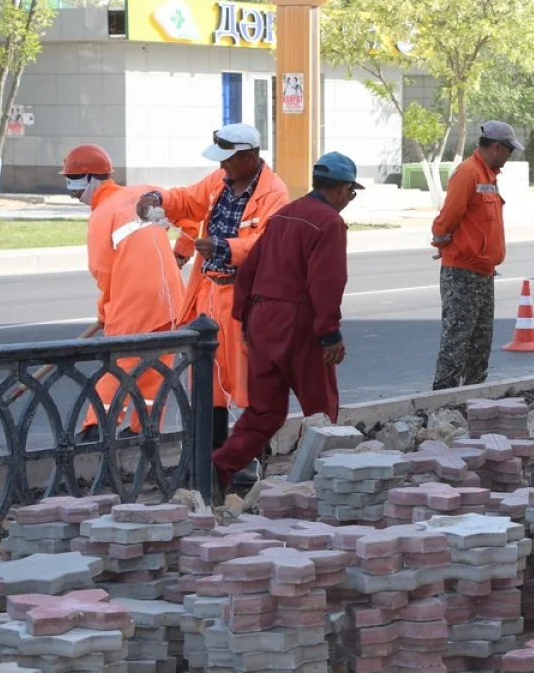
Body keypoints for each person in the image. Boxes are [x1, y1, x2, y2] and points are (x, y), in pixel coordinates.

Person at [135, 123, 290, 479]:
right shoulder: (218, 182)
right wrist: (157, 198)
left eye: (229, 161)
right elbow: (186, 200)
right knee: (209, 380)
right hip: (210, 292)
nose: (222, 168)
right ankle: (212, 458)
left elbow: (268, 245)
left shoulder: (274, 194)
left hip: (242, 297)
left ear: (250, 157)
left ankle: (248, 457)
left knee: (249, 381)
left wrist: (224, 247)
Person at [211, 152, 360, 499]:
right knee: (321, 409)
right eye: (351, 194)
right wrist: (330, 334)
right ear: (342, 189)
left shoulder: (283, 215)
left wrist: (245, 317)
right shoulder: (329, 222)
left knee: (265, 410)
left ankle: (219, 467)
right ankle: (322, 481)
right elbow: (327, 282)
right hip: (298, 321)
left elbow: (248, 269)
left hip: (262, 319)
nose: (348, 202)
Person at [62, 144, 185, 442]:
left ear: (90, 179)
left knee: (119, 368)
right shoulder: (146, 192)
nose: (74, 194)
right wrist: (182, 252)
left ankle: (95, 430)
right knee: (157, 369)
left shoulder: (103, 215)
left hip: (135, 305)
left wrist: (105, 313)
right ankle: (145, 430)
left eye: (74, 186)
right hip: (172, 303)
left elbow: (104, 273)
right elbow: (189, 213)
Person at [430, 120, 523, 391]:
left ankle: (474, 399)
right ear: (497, 147)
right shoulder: (468, 173)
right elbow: (447, 219)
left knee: (479, 344)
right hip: (463, 272)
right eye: (509, 151)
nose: (510, 156)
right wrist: (444, 242)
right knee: (456, 341)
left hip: (483, 272)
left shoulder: (489, 176)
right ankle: (443, 402)